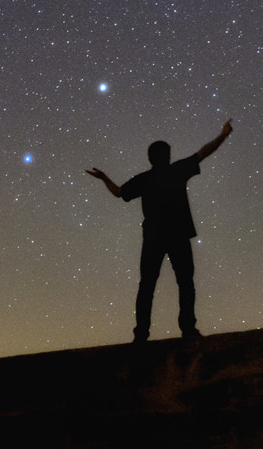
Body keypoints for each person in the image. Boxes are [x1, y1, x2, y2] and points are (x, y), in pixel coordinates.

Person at [86, 119, 233, 342]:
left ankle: (142, 334)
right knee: (184, 283)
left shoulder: (144, 179)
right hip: (178, 234)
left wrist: (104, 178)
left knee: (148, 285)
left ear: (150, 158)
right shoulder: (177, 170)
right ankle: (188, 330)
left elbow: (118, 192)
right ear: (167, 156)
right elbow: (203, 152)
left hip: (154, 236)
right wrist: (223, 135)